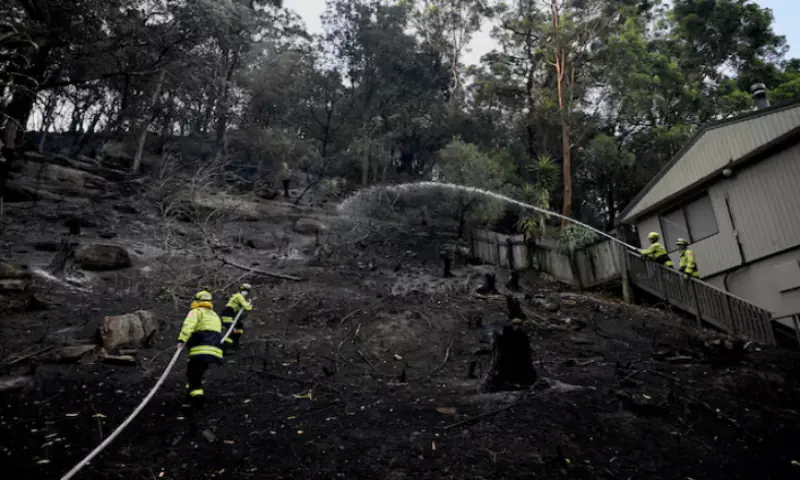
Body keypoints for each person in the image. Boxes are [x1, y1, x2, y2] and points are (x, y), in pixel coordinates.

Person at [177, 290, 223, 407]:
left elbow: (189, 325)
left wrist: (182, 339)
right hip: (214, 351)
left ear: (196, 301)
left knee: (192, 373)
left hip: (200, 349)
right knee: (196, 373)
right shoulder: (214, 315)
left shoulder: (196, 311)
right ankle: (191, 393)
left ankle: (197, 399)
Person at [220, 283, 253, 352]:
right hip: (228, 313)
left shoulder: (239, 297)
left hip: (232, 314)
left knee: (240, 326)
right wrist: (250, 305)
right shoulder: (239, 296)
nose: (245, 292)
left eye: (247, 291)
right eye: (244, 290)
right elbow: (247, 307)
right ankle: (225, 346)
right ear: (241, 290)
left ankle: (234, 344)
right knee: (230, 329)